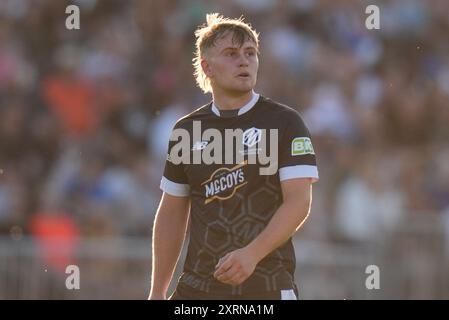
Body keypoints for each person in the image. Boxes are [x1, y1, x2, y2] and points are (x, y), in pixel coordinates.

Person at [149, 13, 319, 300]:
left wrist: (252, 254)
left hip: (266, 286)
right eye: (231, 54)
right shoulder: (186, 130)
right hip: (196, 290)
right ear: (207, 67)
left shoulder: (285, 122)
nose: (244, 61)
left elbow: (299, 201)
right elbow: (171, 213)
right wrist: (157, 291)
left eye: (250, 53)